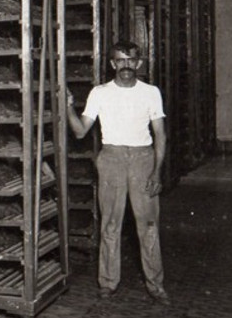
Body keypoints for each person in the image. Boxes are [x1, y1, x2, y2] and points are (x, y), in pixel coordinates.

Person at [64, 39, 169, 304]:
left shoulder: (151, 92)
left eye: (131, 60)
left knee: (148, 224)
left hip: (143, 159)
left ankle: (156, 285)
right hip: (111, 158)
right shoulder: (99, 93)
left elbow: (160, 135)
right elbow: (80, 131)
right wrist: (67, 105)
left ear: (139, 63)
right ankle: (108, 283)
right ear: (112, 64)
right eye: (120, 60)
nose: (126, 65)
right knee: (111, 223)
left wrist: (157, 172)